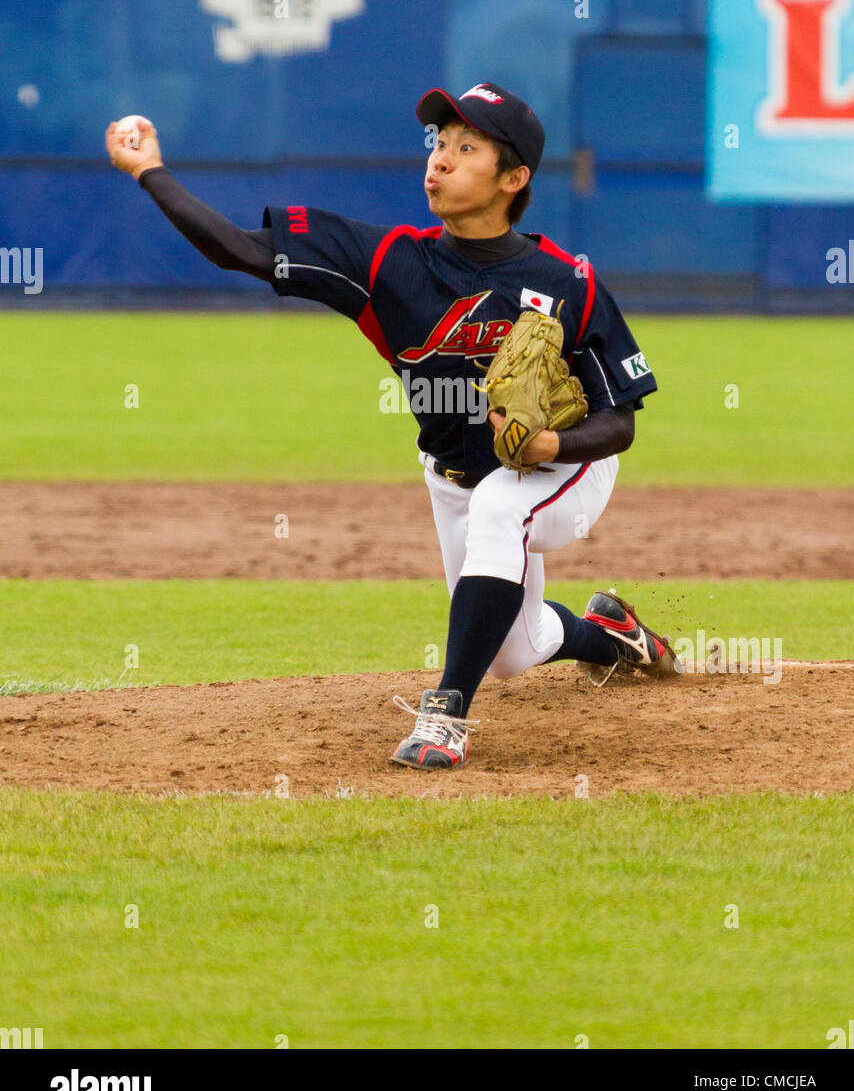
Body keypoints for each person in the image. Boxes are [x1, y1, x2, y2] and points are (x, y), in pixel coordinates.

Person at [105, 81, 679, 773]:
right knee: (513, 651)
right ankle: (611, 634)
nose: (440, 159)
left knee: (503, 505)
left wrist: (553, 443)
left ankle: (446, 718)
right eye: (439, 144)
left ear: (514, 179)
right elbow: (238, 250)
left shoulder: (569, 282)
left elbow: (620, 421)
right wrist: (149, 172)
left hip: (566, 470)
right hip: (454, 474)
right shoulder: (386, 261)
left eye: (467, 149)